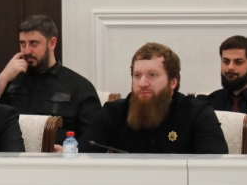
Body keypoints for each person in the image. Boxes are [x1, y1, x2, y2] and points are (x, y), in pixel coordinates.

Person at [80, 42, 227, 154]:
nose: (142, 83)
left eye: (152, 75)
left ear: (173, 82)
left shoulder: (197, 113)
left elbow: (215, 167)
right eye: (137, 75)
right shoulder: (114, 112)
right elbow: (83, 158)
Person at [0, 15, 100, 148]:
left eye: (33, 43)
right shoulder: (10, 80)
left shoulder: (79, 86)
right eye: (23, 43)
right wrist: (2, 79)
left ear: (52, 43)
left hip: (58, 158)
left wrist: (72, 151)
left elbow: (95, 139)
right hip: (10, 156)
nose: (26, 51)